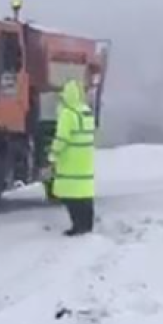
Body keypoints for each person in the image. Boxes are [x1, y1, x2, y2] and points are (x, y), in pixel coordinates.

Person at [46, 78, 96, 236]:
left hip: (70, 162)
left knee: (71, 198)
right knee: (85, 197)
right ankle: (87, 226)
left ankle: (77, 226)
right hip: (85, 162)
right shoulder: (86, 111)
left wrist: (53, 155)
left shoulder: (68, 114)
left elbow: (62, 138)